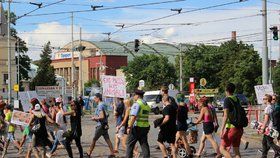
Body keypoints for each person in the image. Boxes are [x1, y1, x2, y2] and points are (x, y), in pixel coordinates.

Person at [85, 93, 115, 157]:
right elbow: (106, 115)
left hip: (101, 125)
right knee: (107, 139)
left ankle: (89, 152)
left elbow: (102, 116)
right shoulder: (104, 104)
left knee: (94, 139)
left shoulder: (100, 105)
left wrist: (94, 118)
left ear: (98, 98)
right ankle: (112, 153)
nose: (94, 100)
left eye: (95, 98)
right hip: (105, 125)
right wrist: (96, 119)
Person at [220, 83, 243, 158]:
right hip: (239, 128)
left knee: (222, 148)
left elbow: (225, 115)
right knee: (236, 151)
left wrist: (222, 129)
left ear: (226, 90)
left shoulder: (227, 100)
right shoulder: (237, 99)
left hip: (231, 128)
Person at [126, 89, 151, 158]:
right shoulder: (146, 105)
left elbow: (133, 117)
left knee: (129, 145)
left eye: (134, 95)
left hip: (136, 128)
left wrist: (129, 127)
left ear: (137, 95)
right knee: (144, 144)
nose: (133, 97)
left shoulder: (137, 104)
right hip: (145, 127)